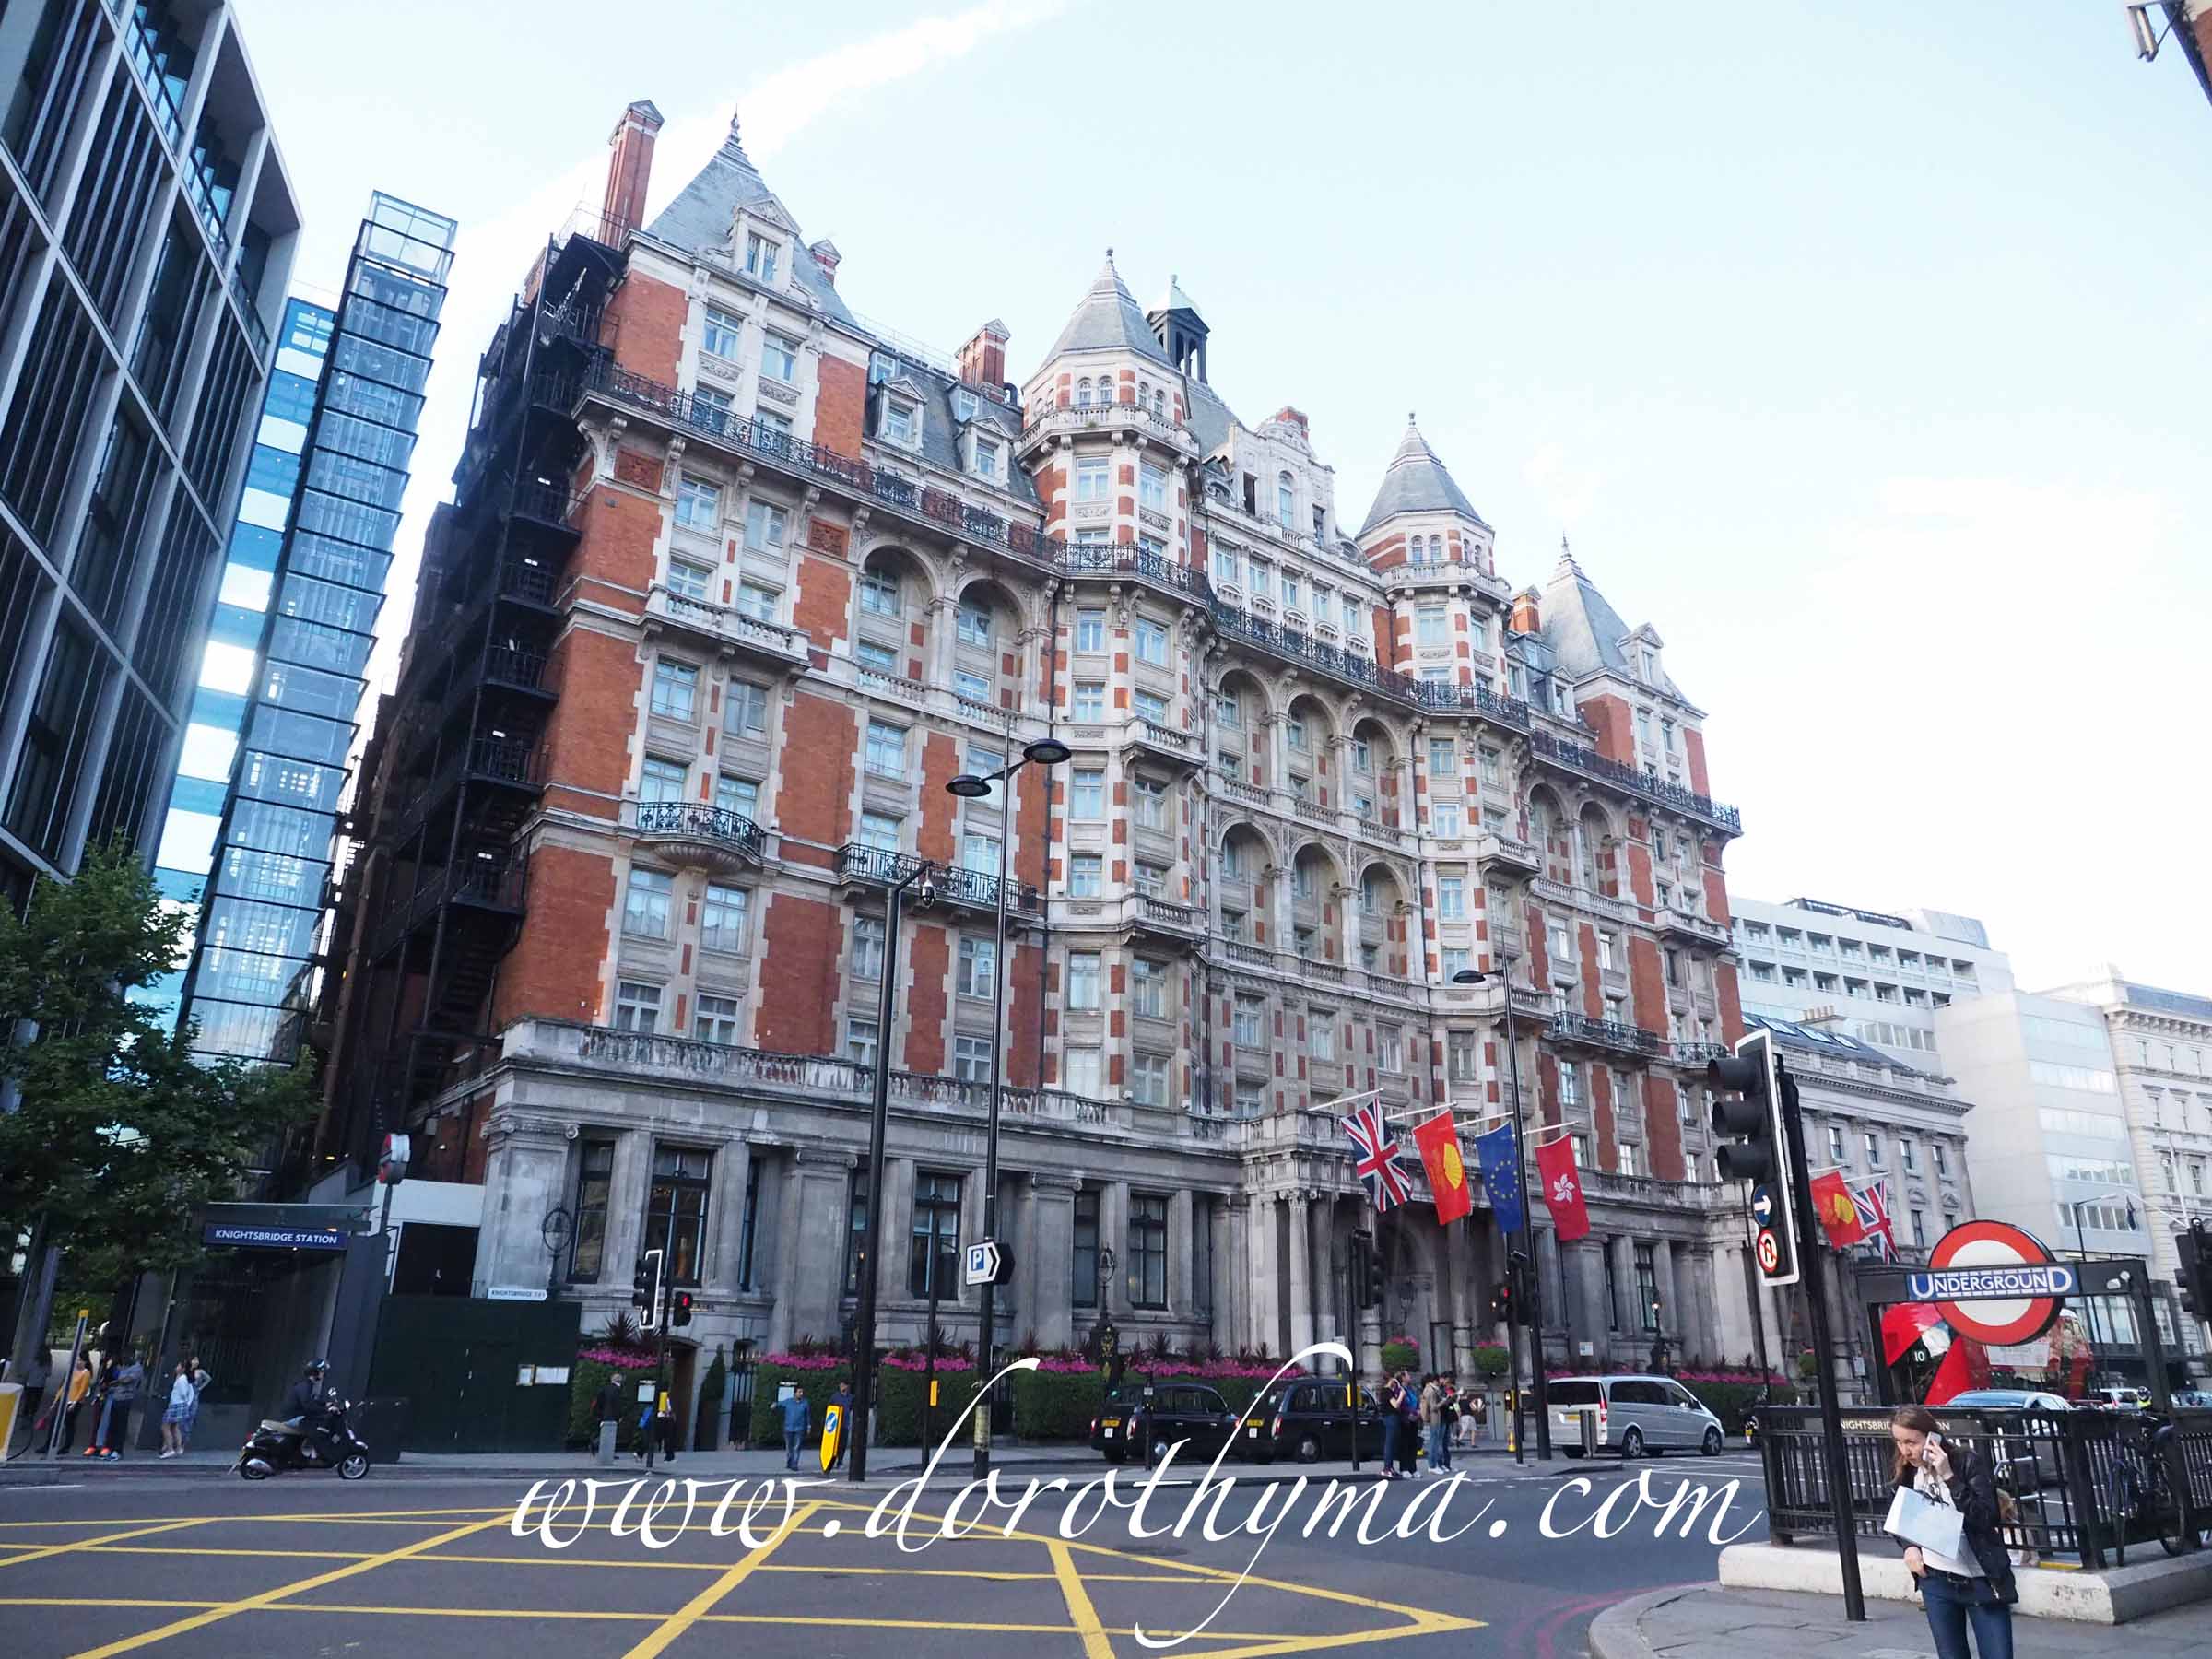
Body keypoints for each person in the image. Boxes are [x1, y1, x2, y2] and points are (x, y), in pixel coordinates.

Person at [1889, 1405, 2016, 1659]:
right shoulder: (1909, 1470)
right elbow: (1900, 1515)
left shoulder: (1966, 1462)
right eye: (1899, 1442)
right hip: (1936, 1580)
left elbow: (1986, 1517)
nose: (1905, 1450)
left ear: (1932, 1438)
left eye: (1911, 1442)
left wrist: (1949, 1477)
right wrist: (1909, 1546)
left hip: (1981, 1579)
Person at [88, 1347, 144, 1459]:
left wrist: (114, 1382)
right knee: (112, 1426)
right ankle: (109, 1449)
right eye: (123, 1358)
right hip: (116, 1398)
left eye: (126, 1357)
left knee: (120, 1426)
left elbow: (126, 1380)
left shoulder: (137, 1368)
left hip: (126, 1399)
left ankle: (118, 1451)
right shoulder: (124, 1367)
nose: (124, 1360)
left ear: (132, 1356)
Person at [277, 1360, 336, 1464]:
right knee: (319, 1426)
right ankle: (315, 1456)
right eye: (321, 1371)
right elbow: (308, 1405)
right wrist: (327, 1410)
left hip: (293, 1416)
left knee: (319, 1422)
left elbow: (310, 1401)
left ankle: (307, 1454)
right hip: (291, 1418)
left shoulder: (306, 1384)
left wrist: (325, 1404)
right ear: (315, 1372)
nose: (323, 1374)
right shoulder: (305, 1386)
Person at [159, 1362, 197, 1457]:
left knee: (165, 1427)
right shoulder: (184, 1378)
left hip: (176, 1405)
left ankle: (170, 1449)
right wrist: (186, 1403)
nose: (176, 1367)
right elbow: (191, 1393)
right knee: (174, 1427)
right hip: (179, 1405)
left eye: (178, 1366)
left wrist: (184, 1402)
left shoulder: (182, 1379)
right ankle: (179, 1448)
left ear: (183, 1369)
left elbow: (184, 1393)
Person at [1378, 1373, 1406, 1480]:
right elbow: (1395, 1405)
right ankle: (1387, 1468)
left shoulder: (1387, 1391)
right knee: (1389, 1443)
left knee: (1392, 1443)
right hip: (1390, 1418)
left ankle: (1390, 1467)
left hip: (1391, 1418)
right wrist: (1401, 1395)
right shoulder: (1387, 1391)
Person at [592, 1374, 627, 1453]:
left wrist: (599, 1414)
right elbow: (618, 1404)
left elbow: (599, 1402)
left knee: (606, 1433)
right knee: (611, 1434)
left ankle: (598, 1446)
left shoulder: (605, 1388)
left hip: (604, 1414)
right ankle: (596, 1444)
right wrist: (620, 1416)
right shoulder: (617, 1390)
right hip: (613, 1415)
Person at [779, 1386, 810, 1472]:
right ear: (795, 1393)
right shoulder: (789, 1401)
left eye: (802, 1392)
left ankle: (794, 1464)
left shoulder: (805, 1403)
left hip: (799, 1428)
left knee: (797, 1447)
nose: (801, 1394)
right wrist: (774, 1405)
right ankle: (789, 1462)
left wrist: (808, 1426)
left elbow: (807, 1415)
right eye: (799, 1392)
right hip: (788, 1428)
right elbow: (780, 1404)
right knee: (789, 1447)